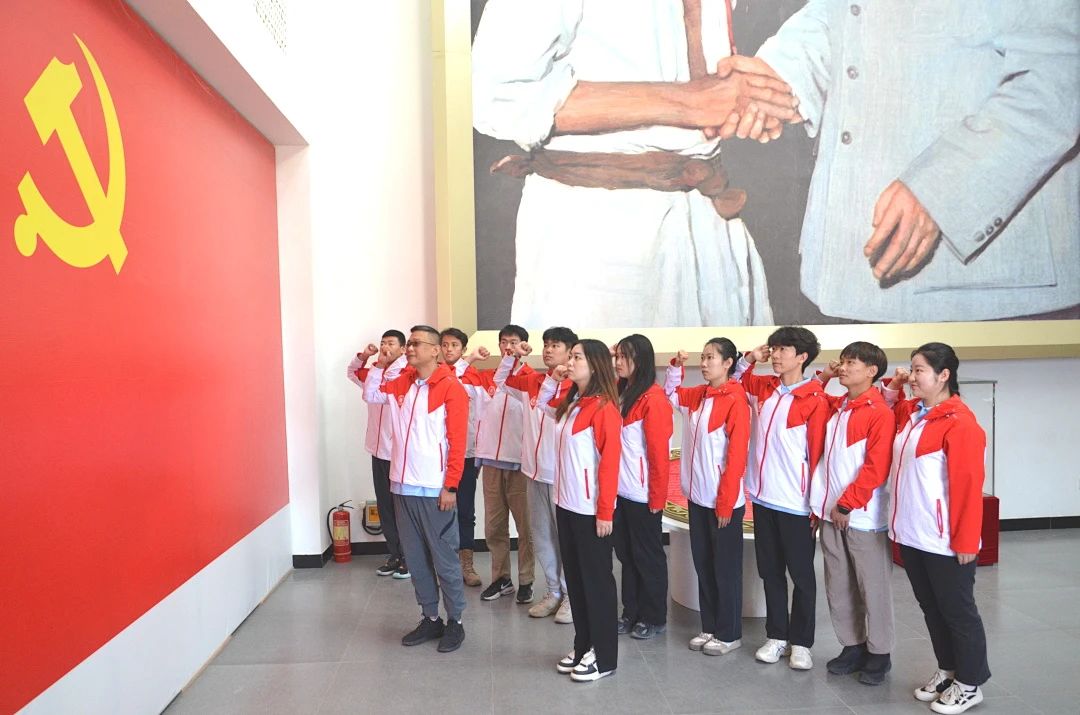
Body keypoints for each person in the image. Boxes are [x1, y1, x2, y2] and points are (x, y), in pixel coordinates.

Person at [731, 2, 1080, 322]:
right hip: (844, 273)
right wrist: (777, 79)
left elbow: (1061, 76)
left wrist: (941, 187)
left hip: (987, 290)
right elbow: (839, 12)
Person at [472, 0, 802, 328]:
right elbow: (495, 95)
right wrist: (690, 103)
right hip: (595, 234)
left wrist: (756, 99)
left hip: (711, 223)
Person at [885, 343, 990, 714]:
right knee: (932, 608)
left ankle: (970, 683)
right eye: (912, 369)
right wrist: (897, 384)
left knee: (958, 612)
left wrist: (965, 540)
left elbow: (968, 487)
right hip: (913, 533)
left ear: (944, 375)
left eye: (919, 370)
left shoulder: (960, 423)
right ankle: (948, 670)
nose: (912, 377)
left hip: (945, 540)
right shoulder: (915, 414)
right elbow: (890, 403)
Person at [362, 325, 470, 653]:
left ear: (435, 350)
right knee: (416, 558)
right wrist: (380, 364)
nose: (410, 348)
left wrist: (451, 486)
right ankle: (430, 617)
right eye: (408, 343)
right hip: (402, 485)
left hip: (434, 488)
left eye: (416, 343)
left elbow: (457, 442)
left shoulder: (451, 388)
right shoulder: (403, 383)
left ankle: (455, 621)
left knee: (444, 559)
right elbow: (371, 394)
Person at [737, 326, 828, 670]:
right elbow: (736, 379)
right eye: (773, 349)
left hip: (796, 504)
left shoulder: (814, 399)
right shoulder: (765, 388)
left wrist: (815, 506)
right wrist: (751, 357)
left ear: (802, 357)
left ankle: (801, 642)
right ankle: (776, 636)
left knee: (802, 576)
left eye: (783, 350)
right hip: (763, 499)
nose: (775, 355)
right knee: (770, 571)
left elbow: (817, 456)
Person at [811, 342, 896, 685]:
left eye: (851, 363)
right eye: (843, 362)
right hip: (831, 513)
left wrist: (847, 503)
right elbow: (810, 397)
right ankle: (852, 645)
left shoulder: (879, 412)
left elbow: (876, 467)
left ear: (872, 371)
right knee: (839, 584)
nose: (843, 368)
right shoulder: (839, 407)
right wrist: (825, 375)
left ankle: (880, 653)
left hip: (861, 516)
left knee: (872, 587)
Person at [541, 340, 622, 682]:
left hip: (591, 511)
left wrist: (605, 512)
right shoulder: (573, 403)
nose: (570, 362)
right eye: (571, 356)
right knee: (576, 582)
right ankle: (583, 644)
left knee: (597, 584)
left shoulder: (604, 408)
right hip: (566, 504)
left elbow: (610, 464)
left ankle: (604, 657)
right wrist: (554, 378)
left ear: (596, 365)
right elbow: (542, 404)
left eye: (577, 357)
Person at [665, 338, 750, 656]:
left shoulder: (735, 400)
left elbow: (737, 456)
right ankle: (710, 626)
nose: (703, 363)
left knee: (725, 569)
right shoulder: (699, 395)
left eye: (710, 358)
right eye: (702, 357)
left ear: (728, 363)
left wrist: (726, 502)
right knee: (704, 564)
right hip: (697, 497)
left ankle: (729, 633)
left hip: (721, 502)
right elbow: (670, 395)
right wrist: (676, 368)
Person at [495, 327, 579, 623]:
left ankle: (571, 596)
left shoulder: (578, 388)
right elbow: (500, 381)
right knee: (542, 537)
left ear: (570, 352)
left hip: (562, 477)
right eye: (546, 345)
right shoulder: (532, 382)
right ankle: (553, 591)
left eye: (555, 345)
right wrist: (511, 356)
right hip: (533, 473)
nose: (548, 350)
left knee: (566, 539)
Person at [463, 324, 536, 604]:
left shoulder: (533, 380)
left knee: (525, 528)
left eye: (514, 342)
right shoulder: (489, 378)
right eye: (504, 342)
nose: (508, 347)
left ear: (524, 345)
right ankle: (501, 578)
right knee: (494, 527)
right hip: (491, 461)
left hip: (520, 464)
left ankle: (526, 580)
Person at [611, 334, 673, 640]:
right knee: (626, 555)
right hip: (620, 492)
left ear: (641, 360)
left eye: (625, 357)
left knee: (648, 557)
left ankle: (654, 616)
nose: (618, 362)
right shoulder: (621, 391)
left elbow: (659, 454)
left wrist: (657, 498)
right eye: (617, 356)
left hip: (642, 494)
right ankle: (631, 611)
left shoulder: (653, 398)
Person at [347, 329, 409, 579]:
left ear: (403, 349)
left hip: (399, 452)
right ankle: (394, 555)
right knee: (385, 507)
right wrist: (364, 357)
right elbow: (352, 373)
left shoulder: (407, 374)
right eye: (383, 343)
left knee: (402, 508)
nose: (385, 347)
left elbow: (376, 395)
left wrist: (380, 368)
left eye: (391, 343)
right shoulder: (375, 371)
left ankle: (409, 557)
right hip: (377, 450)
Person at [440, 327, 483, 587]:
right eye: (445, 345)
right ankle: (444, 562)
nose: (449, 350)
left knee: (465, 509)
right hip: (437, 455)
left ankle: (466, 563)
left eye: (454, 345)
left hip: (466, 453)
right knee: (438, 510)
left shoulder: (472, 375)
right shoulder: (432, 375)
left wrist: (469, 362)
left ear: (463, 349)